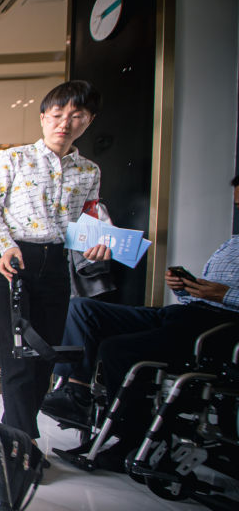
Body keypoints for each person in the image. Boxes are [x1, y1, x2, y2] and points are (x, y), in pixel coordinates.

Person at [43, 175, 239, 469]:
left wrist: (225, 295)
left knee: (117, 349)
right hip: (186, 312)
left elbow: (220, 296)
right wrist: (185, 288)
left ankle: (130, 438)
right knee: (82, 309)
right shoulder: (231, 244)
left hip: (219, 326)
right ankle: (76, 392)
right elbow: (205, 292)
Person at [0, 80, 110, 441]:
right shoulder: (14, 159)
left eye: (76, 115)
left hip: (55, 263)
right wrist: (6, 246)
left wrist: (98, 243)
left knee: (44, 354)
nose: (65, 123)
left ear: (89, 120)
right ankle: (22, 444)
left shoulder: (89, 171)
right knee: (16, 355)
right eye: (57, 114)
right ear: (42, 117)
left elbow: (88, 218)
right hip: (9, 259)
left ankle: (13, 438)